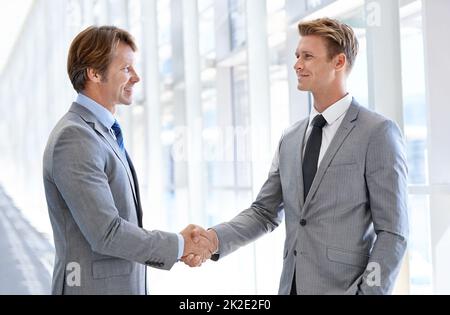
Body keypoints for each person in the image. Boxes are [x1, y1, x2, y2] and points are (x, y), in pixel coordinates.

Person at [189, 17, 409, 295]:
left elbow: (393, 232)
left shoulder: (377, 133)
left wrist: (369, 292)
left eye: (307, 56)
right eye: (296, 56)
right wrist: (213, 239)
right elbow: (264, 212)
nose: (297, 64)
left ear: (338, 62)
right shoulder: (290, 138)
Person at [43, 26, 213, 295]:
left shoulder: (101, 132)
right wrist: (180, 245)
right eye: (126, 69)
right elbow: (106, 233)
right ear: (94, 73)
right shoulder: (75, 137)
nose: (136, 78)